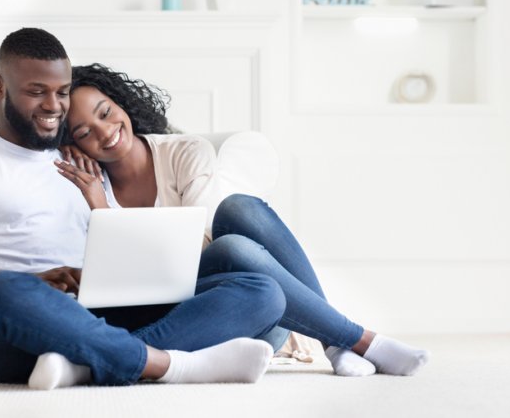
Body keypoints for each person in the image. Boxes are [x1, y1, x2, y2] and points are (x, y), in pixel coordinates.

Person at [0, 28, 287, 390]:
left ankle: (84, 365)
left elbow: (126, 249)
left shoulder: (84, 159)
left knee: (261, 291)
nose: (53, 106)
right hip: (15, 325)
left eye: (61, 92)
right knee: (1, 289)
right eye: (36, 91)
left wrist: (105, 218)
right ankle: (165, 364)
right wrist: (36, 281)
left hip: (100, 312)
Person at [59, 63, 431, 377]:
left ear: (120, 103)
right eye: (84, 132)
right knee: (241, 260)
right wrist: (99, 207)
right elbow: (117, 281)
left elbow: (202, 248)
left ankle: (341, 339)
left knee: (237, 215)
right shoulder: (87, 183)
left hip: (240, 306)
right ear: (73, 144)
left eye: (105, 113)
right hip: (193, 317)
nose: (105, 132)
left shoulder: (185, 151)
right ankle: (358, 340)